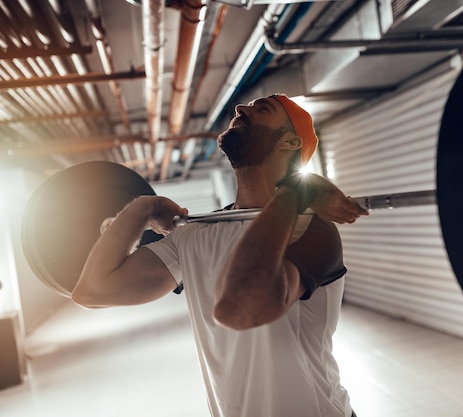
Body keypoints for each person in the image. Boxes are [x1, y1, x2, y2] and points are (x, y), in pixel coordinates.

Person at [71, 94, 369, 417]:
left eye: (262, 109)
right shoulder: (192, 236)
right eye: (247, 106)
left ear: (290, 141)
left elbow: (240, 307)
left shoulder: (310, 227)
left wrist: (296, 195)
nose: (241, 109)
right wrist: (146, 207)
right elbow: (92, 289)